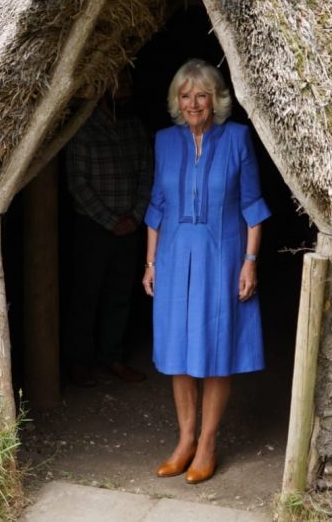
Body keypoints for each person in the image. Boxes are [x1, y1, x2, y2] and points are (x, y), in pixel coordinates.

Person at [141, 59, 271, 484]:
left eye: (201, 95)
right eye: (185, 95)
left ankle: (208, 444)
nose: (193, 103)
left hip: (223, 256)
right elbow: (158, 206)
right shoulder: (164, 141)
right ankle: (185, 441)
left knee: (216, 351)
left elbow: (253, 206)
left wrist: (250, 262)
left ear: (216, 100)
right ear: (176, 101)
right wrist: (150, 262)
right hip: (175, 258)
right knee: (179, 350)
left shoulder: (237, 139)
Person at [64, 82, 151, 386]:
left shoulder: (133, 126)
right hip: (93, 227)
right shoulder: (84, 129)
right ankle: (79, 361)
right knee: (86, 295)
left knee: (120, 296)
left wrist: (136, 216)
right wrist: (109, 220)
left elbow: (146, 174)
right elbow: (77, 183)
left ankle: (112, 358)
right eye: (119, 86)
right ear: (102, 91)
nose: (126, 91)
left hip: (129, 227)